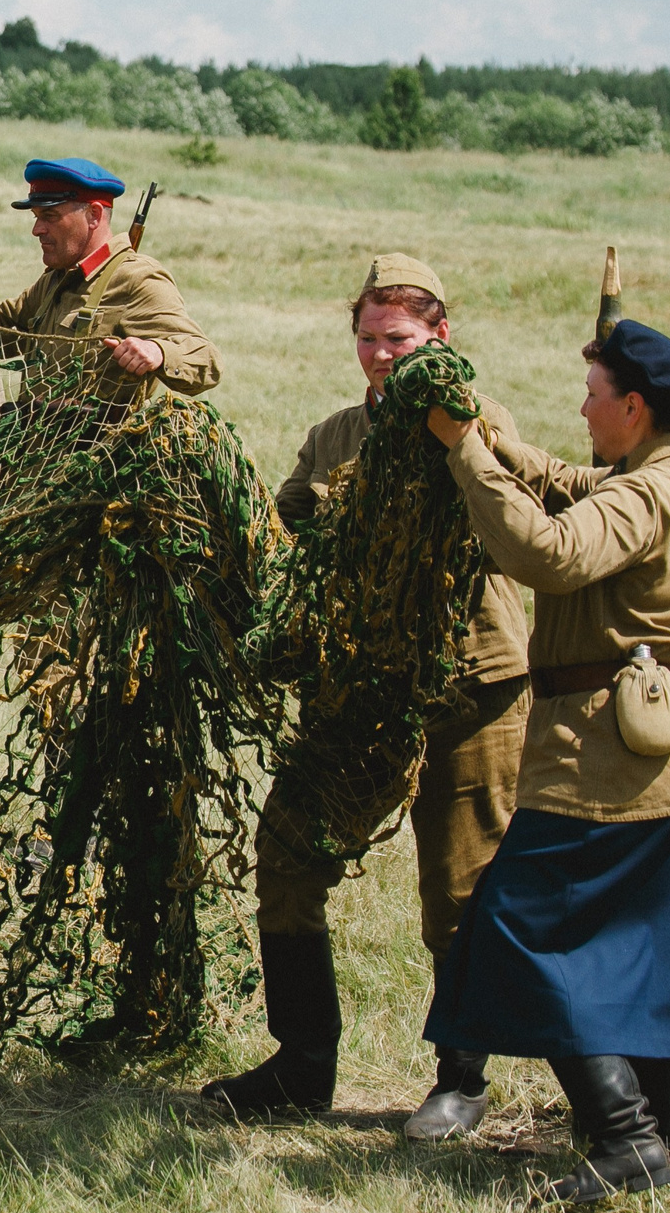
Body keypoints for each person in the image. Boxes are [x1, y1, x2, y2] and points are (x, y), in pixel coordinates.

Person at [200, 255, 532, 1138]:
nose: (382, 356)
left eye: (400, 339)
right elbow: (285, 540)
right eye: (368, 339)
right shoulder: (334, 437)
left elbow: (522, 533)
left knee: (458, 890)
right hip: (358, 696)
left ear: (439, 338)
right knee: (286, 856)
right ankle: (303, 1062)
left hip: (471, 686)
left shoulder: (476, 424)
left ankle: (461, 1078)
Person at [421, 319, 670, 1205]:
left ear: (633, 407)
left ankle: (627, 1136)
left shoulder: (648, 495)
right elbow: (566, 482)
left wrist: (463, 458)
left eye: (593, 394)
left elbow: (548, 553)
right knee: (637, 942)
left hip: (610, 765)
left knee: (515, 935)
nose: (581, 406)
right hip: (669, 761)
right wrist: (486, 436)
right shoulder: (658, 472)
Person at [0, 157, 219, 405]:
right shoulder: (58, 280)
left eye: (50, 216)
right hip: (37, 455)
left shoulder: (135, 279)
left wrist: (157, 351)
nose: (37, 229)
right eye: (36, 217)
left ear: (94, 216)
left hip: (96, 466)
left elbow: (205, 360)